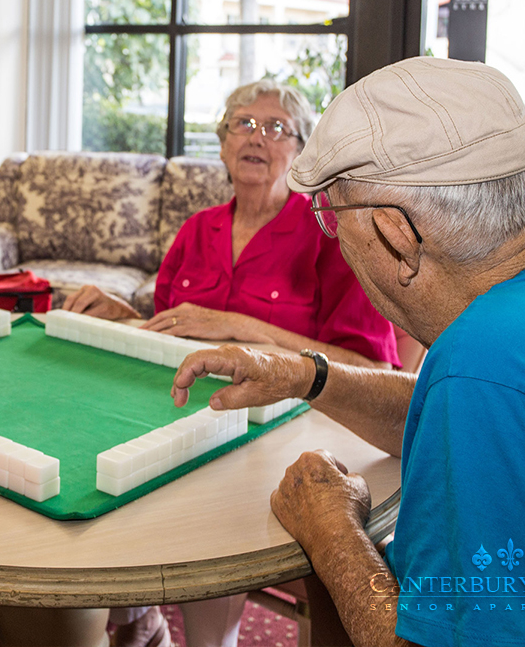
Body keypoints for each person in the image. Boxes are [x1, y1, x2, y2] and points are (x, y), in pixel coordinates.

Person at [171, 57, 525, 647]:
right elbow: (498, 416)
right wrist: (304, 375)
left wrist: (333, 534)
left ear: (395, 234)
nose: (330, 236)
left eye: (331, 218)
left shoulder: (481, 368)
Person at [63, 80, 401, 647]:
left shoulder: (329, 237)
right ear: (221, 144)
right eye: (242, 124)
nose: (256, 137)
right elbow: (170, 332)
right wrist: (118, 314)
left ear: (299, 152)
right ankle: (136, 618)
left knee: (208, 513)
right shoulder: (198, 230)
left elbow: (371, 372)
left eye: (275, 128)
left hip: (275, 439)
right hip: (175, 420)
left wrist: (243, 330)